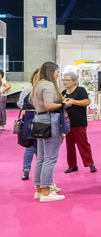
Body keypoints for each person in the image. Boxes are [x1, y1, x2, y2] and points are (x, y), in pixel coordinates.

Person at [31, 62, 66, 203]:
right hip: (49, 121)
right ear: (52, 72)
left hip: (39, 120)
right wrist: (64, 104)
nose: (58, 75)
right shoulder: (49, 85)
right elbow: (49, 105)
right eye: (57, 72)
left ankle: (39, 189)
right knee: (50, 158)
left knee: (41, 157)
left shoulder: (38, 84)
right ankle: (46, 191)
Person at [61, 72, 97, 174]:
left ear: (74, 81)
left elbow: (86, 102)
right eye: (64, 80)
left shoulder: (80, 90)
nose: (65, 82)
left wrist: (73, 102)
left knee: (83, 144)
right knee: (69, 146)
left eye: (67, 80)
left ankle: (90, 163)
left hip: (79, 122)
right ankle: (72, 165)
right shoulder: (63, 92)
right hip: (67, 122)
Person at [18, 69, 38, 180]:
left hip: (28, 123)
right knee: (40, 153)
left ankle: (26, 170)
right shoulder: (30, 91)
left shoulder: (27, 91)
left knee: (30, 148)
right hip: (37, 124)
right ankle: (41, 181)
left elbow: (20, 104)